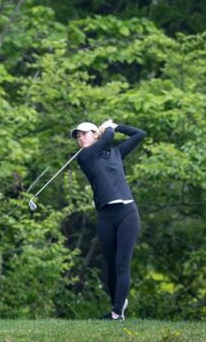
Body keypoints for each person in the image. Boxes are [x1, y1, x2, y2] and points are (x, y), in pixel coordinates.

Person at [70, 119, 146, 321]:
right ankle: (118, 307)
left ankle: (116, 313)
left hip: (127, 213)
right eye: (78, 136)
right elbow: (108, 138)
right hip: (105, 216)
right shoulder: (85, 157)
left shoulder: (117, 153)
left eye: (84, 133)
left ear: (96, 135)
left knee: (122, 264)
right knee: (110, 266)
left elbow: (140, 134)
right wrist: (107, 129)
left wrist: (117, 126)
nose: (80, 138)